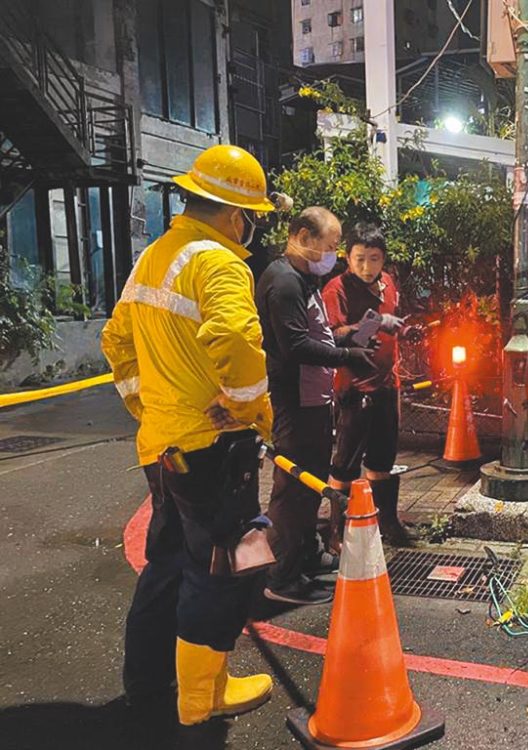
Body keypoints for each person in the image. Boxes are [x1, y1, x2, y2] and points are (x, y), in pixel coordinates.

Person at [102, 144, 275, 726]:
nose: (250, 229)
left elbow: (115, 340)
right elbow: (234, 340)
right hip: (210, 446)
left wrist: (144, 406)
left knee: (170, 560)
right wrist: (250, 409)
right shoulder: (220, 262)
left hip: (162, 442)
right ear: (234, 214)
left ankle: (150, 685)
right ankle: (202, 698)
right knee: (224, 565)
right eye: (251, 217)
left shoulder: (155, 255)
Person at [255, 206, 375, 605]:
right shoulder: (284, 283)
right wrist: (348, 357)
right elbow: (294, 347)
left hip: (315, 400)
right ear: (304, 237)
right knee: (294, 491)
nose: (334, 255)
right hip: (296, 402)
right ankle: (283, 577)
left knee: (309, 487)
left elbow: (317, 337)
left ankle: (305, 557)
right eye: (331, 245)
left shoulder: (303, 279)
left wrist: (350, 337)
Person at [322, 222, 417, 546]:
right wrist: (372, 324)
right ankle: (336, 533)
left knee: (382, 461)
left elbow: (391, 323)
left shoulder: (387, 283)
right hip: (354, 390)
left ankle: (388, 524)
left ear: (383, 259)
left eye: (374, 258)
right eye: (359, 258)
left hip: (385, 386)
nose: (366, 266)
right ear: (347, 257)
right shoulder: (336, 289)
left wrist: (398, 328)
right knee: (345, 464)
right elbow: (334, 338)